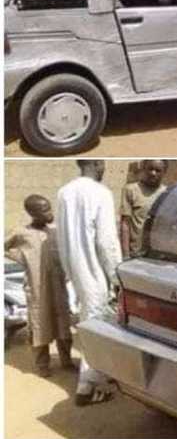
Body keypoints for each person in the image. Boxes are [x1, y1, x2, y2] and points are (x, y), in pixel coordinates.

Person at [56, 160, 123, 406]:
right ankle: (87, 387)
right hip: (95, 275)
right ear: (97, 165)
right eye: (103, 165)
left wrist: (69, 274)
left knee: (88, 324)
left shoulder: (64, 192)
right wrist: (117, 276)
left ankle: (99, 376)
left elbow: (61, 238)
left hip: (75, 272)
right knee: (97, 329)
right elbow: (106, 241)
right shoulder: (101, 193)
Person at [5, 195, 73, 377]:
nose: (50, 213)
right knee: (39, 322)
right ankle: (43, 365)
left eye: (49, 208)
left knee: (63, 322)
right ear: (32, 213)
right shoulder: (21, 233)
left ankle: (66, 360)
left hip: (58, 286)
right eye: (44, 210)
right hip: (37, 288)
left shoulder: (56, 231)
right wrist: (21, 257)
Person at [119, 159, 167, 258]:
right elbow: (125, 224)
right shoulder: (131, 190)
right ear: (143, 169)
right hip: (135, 253)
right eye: (150, 169)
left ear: (164, 172)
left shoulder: (166, 193)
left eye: (158, 170)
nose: (153, 173)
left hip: (157, 255)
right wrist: (126, 255)